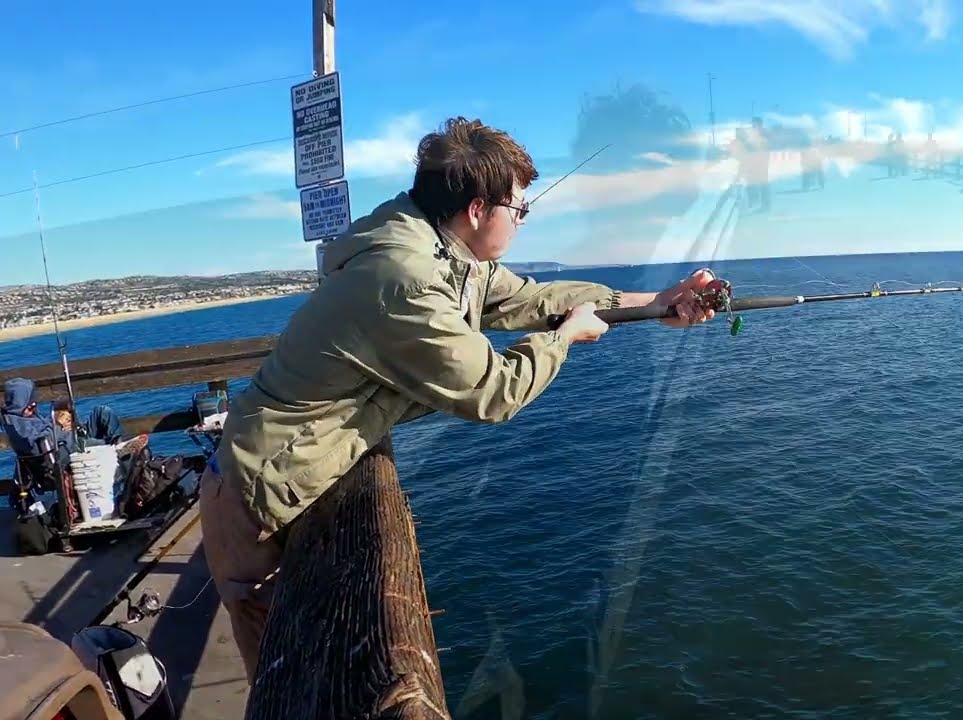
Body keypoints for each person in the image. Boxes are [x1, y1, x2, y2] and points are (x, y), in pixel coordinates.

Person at [200, 116, 719, 681]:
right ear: (478, 209)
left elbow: (532, 298)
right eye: (519, 209)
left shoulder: (440, 249)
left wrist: (656, 302)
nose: (522, 221)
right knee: (284, 679)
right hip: (262, 497)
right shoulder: (407, 278)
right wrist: (564, 338)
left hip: (280, 479)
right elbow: (492, 393)